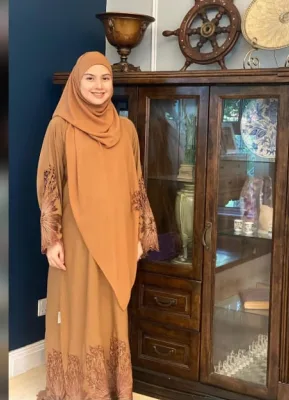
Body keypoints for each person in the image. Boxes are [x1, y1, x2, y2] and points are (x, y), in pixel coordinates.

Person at [36, 51, 158, 399]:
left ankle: (109, 389)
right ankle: (76, 390)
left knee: (110, 310)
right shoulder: (61, 126)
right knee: (77, 309)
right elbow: (49, 182)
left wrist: (139, 233)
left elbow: (136, 184)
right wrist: (53, 239)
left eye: (105, 78)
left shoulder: (126, 130)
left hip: (118, 236)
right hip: (76, 238)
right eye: (90, 78)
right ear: (77, 82)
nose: (99, 86)